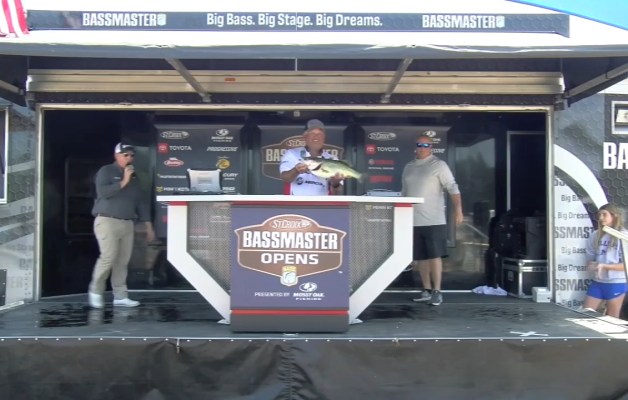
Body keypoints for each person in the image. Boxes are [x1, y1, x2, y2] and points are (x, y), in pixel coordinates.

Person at [87, 143, 155, 308]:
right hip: (107, 221)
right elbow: (103, 193)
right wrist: (124, 181)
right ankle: (95, 291)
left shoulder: (134, 177)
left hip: (127, 222)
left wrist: (148, 225)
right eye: (125, 155)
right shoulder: (106, 171)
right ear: (116, 156)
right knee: (108, 257)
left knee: (122, 261)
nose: (129, 158)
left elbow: (140, 203)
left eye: (131, 155)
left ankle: (120, 296)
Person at [402, 132, 463, 306]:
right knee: (421, 258)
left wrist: (458, 210)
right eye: (419, 145)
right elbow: (404, 193)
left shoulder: (439, 165)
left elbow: (452, 187)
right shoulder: (408, 167)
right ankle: (426, 290)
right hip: (414, 220)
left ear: (431, 147)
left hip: (434, 220)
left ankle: (437, 291)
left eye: (426, 145)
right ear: (415, 147)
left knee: (434, 256)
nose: (422, 148)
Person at [583, 203, 628, 318]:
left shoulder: (623, 236)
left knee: (612, 318)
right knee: (585, 314)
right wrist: (592, 265)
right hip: (598, 281)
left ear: (614, 215)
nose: (601, 218)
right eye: (599, 215)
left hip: (616, 282)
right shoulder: (596, 235)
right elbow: (590, 258)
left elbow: (626, 266)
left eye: (604, 214)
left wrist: (604, 266)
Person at [279, 119, 343, 195]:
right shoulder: (292, 154)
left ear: (324, 137)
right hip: (296, 202)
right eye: (312, 133)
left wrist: (336, 183)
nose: (316, 136)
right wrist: (296, 171)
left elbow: (337, 192)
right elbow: (285, 178)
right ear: (305, 136)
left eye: (320, 134)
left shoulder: (332, 159)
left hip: (322, 202)